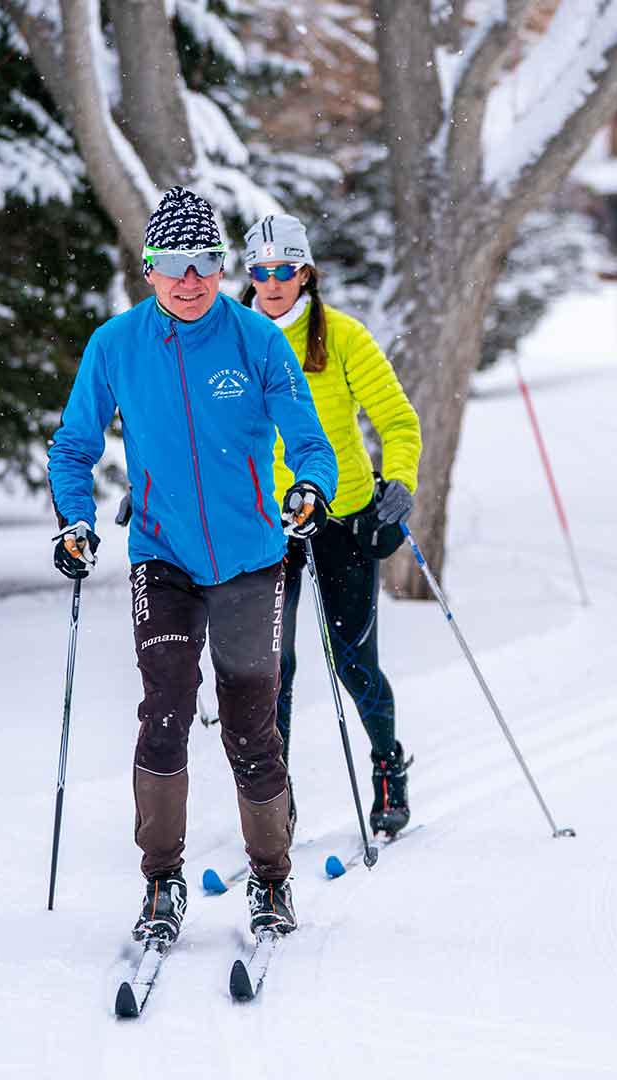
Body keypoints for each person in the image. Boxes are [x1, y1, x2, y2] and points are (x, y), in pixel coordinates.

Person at [47, 187, 338, 944]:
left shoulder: (257, 342)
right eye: (173, 262)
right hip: (163, 556)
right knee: (166, 711)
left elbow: (309, 442)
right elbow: (73, 448)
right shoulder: (114, 346)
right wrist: (74, 520)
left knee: (250, 725)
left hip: (249, 560)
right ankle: (159, 882)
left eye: (206, 261)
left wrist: (310, 488)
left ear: (220, 267)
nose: (190, 278)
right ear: (148, 269)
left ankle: (272, 882)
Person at [240, 213, 424, 838]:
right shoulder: (229, 339)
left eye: (283, 270)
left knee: (353, 661)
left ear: (306, 272)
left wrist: (398, 480)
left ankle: (387, 766)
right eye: (260, 272)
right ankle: (274, 791)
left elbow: (397, 419)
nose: (272, 283)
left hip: (341, 518)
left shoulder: (341, 336)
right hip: (263, 527)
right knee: (272, 666)